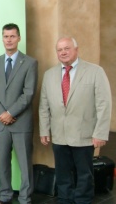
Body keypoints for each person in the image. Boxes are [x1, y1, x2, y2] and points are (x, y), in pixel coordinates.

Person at [39, 37, 112, 204]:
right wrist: (44, 130)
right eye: (59, 49)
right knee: (63, 172)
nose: (63, 52)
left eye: (67, 48)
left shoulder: (95, 71)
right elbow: (44, 106)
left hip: (84, 134)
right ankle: (64, 199)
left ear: (76, 50)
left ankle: (83, 200)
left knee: (84, 173)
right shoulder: (49, 75)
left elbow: (104, 104)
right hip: (59, 134)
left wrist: (100, 133)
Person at [0, 23, 38, 204]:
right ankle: (5, 195)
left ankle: (25, 198)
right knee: (3, 162)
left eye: (12, 36)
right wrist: (3, 113)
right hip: (1, 123)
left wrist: (11, 112)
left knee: (24, 163)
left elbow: (29, 93)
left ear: (19, 38)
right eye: (6, 36)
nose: (9, 40)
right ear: (2, 38)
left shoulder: (30, 63)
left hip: (21, 122)